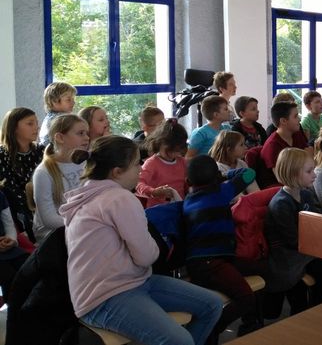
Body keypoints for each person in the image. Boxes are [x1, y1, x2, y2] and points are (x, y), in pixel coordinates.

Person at [61, 136, 222, 345]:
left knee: (211, 304)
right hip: (105, 296)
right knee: (181, 340)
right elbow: (147, 256)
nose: (141, 168)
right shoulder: (119, 198)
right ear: (117, 172)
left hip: (133, 282)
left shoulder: (87, 195)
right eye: (137, 163)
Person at [181, 155, 263, 338]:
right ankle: (209, 330)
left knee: (259, 268)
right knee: (245, 298)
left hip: (204, 262)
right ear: (216, 177)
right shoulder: (221, 192)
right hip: (211, 263)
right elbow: (249, 173)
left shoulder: (189, 199)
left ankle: (251, 324)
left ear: (188, 181)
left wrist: (216, 177)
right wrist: (224, 175)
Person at [266, 148, 322, 314]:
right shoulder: (281, 204)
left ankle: (315, 307)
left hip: (305, 247)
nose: (314, 175)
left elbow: (315, 222)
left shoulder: (305, 195)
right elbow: (292, 240)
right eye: (309, 171)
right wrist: (320, 246)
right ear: (292, 173)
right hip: (287, 255)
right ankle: (306, 312)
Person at [32, 114, 89, 242]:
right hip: (53, 234)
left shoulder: (86, 163)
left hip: (81, 226)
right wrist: (85, 224)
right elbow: (49, 219)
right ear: (60, 137)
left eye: (87, 133)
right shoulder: (43, 172)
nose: (87, 137)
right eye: (80, 133)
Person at [0, 108, 45, 241]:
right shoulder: (2, 155)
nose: (37, 127)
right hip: (17, 213)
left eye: (36, 123)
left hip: (43, 204)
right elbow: (10, 192)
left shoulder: (42, 151)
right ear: (14, 128)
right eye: (30, 123)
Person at [136, 119, 188, 208]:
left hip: (179, 206)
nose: (175, 154)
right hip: (159, 210)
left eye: (178, 151)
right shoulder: (152, 163)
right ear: (160, 143)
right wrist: (153, 192)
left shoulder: (182, 161)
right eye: (171, 151)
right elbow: (138, 184)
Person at [260, 102, 311, 187]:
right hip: (280, 187)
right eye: (295, 116)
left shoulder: (296, 134)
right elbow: (281, 178)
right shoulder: (273, 145)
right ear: (283, 121)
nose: (299, 119)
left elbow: (309, 155)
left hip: (299, 179)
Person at [209, 130, 261, 196]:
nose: (246, 147)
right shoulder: (218, 168)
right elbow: (233, 196)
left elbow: (255, 191)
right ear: (229, 149)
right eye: (241, 145)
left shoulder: (242, 163)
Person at [0, 189, 28, 302]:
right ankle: (14, 309)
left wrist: (11, 240)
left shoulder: (1, 195)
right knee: (8, 276)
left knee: (29, 266)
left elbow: (9, 225)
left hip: (5, 247)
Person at [39, 82, 77, 147]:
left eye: (73, 99)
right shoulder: (60, 120)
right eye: (68, 100)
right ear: (54, 101)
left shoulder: (50, 116)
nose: (73, 102)